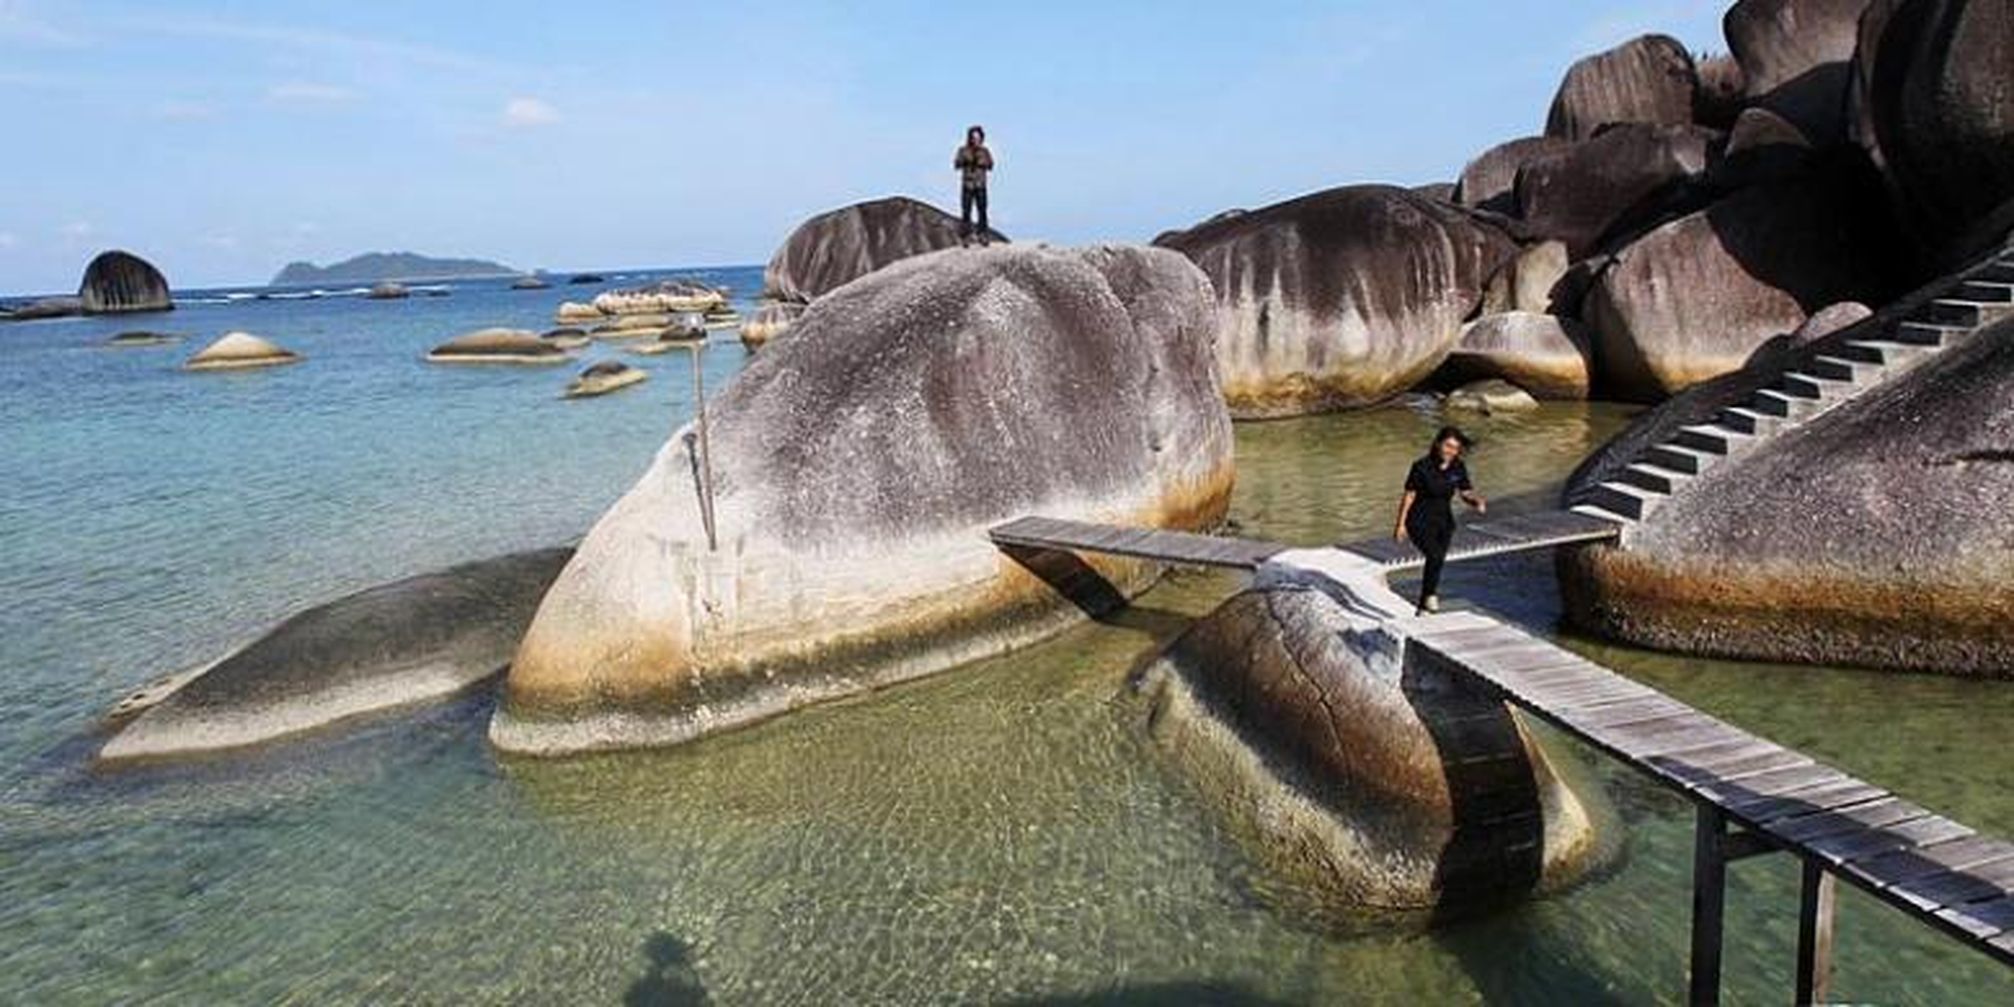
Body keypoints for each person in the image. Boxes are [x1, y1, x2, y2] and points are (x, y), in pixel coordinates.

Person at [1394, 426, 1487, 615]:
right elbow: (1409, 495)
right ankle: (1431, 596)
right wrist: (1401, 524)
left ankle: (1422, 607)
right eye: (1447, 446)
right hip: (1418, 521)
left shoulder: (1458, 466)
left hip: (1444, 522)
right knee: (1435, 556)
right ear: (1438, 444)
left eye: (1455, 448)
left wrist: (1475, 501)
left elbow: (1465, 492)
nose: (1450, 451)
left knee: (1436, 561)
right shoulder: (1421, 466)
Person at [953, 125, 994, 245]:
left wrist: (982, 162)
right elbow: (956, 164)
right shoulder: (963, 150)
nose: (976, 140)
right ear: (969, 138)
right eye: (974, 137)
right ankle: (966, 237)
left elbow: (991, 165)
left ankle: (983, 235)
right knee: (966, 212)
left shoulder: (985, 151)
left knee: (982, 211)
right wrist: (965, 161)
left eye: (978, 137)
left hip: (980, 185)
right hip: (967, 184)